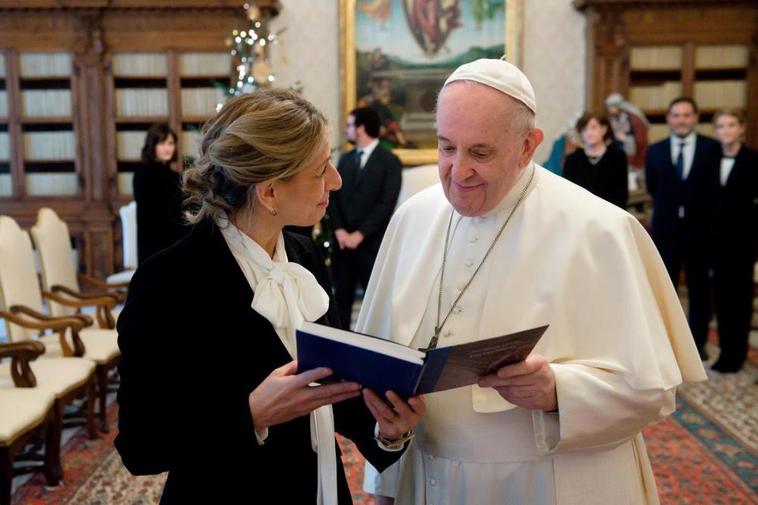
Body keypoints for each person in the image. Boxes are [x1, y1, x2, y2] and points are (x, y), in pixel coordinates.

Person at [360, 58, 706, 505]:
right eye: (447, 147)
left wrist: (558, 392)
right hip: (427, 478)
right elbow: (378, 364)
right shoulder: (413, 217)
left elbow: (653, 390)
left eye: (480, 153)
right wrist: (385, 467)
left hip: (547, 484)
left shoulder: (598, 228)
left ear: (528, 146)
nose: (458, 171)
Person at [115, 90, 425, 504]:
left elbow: (328, 388)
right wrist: (250, 414)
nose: (336, 180)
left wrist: (387, 430)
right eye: (320, 170)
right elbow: (141, 445)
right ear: (270, 192)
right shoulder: (168, 280)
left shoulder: (304, 254)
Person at [645, 97, 721, 359]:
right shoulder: (655, 151)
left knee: (700, 291)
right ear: (668, 119)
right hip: (666, 232)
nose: (681, 120)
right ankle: (666, 347)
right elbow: (654, 188)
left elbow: (714, 190)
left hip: (700, 233)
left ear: (696, 118)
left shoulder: (712, 149)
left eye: (687, 115)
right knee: (666, 292)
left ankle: (696, 345)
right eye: (676, 115)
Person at [329, 107, 402, 329]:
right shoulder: (345, 159)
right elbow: (333, 198)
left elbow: (386, 205)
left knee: (375, 306)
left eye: (350, 125)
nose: (347, 130)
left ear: (360, 128)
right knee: (340, 304)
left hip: (371, 246)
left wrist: (360, 235)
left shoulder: (389, 161)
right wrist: (339, 230)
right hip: (342, 245)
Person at [710, 109, 757, 373]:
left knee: (740, 300)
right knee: (722, 300)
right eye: (720, 126)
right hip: (716, 242)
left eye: (731, 125)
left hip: (742, 243)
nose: (726, 130)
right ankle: (726, 353)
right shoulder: (710, 159)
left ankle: (737, 354)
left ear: (741, 128)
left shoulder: (753, 160)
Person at [132, 123, 189, 265]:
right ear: (152, 145)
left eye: (170, 143)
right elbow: (155, 213)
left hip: (175, 239)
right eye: (162, 143)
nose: (167, 148)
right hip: (155, 243)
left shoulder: (176, 176)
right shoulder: (142, 174)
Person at [563, 111, 629, 208]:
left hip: (610, 215)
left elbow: (622, 195)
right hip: (581, 214)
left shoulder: (617, 157)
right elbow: (568, 194)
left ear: (603, 129)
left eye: (593, 128)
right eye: (584, 129)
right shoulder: (572, 160)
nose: (589, 133)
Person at [605, 92, 650, 170]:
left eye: (610, 106)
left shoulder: (633, 118)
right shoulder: (614, 117)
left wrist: (625, 138)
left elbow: (640, 138)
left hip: (631, 148)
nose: (609, 109)